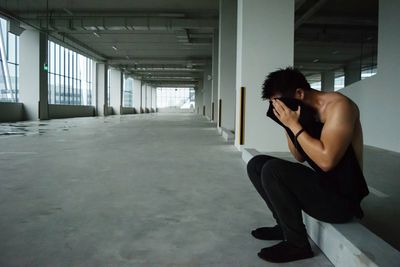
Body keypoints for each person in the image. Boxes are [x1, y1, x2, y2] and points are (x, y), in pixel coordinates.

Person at [247, 67, 369, 263]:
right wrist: (287, 124)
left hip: (343, 200)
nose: (279, 109)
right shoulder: (305, 112)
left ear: (299, 94)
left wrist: (294, 125)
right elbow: (299, 156)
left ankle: (298, 246)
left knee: (273, 170)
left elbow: (326, 161)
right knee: (257, 164)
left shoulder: (339, 107)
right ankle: (283, 227)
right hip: (324, 187)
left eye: (281, 104)